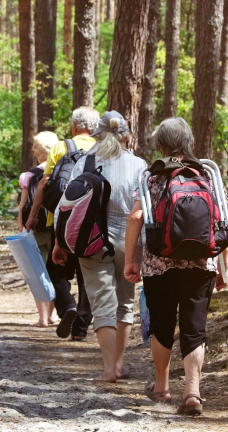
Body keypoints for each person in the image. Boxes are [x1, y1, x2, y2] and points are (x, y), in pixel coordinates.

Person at [123, 117, 217, 416]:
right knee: (195, 328)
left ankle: (162, 387)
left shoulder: (151, 177)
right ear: (189, 142)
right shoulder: (206, 172)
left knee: (162, 325)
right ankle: (192, 392)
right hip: (202, 262)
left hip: (159, 263)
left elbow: (136, 217)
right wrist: (221, 267)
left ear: (160, 144)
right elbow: (220, 220)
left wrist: (130, 260)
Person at [52, 110, 147, 382]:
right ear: (127, 135)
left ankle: (110, 369)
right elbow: (145, 210)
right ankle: (119, 363)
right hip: (131, 243)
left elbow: (65, 207)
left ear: (98, 135)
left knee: (102, 301)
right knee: (124, 302)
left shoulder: (86, 162)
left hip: (91, 241)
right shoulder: (139, 165)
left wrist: (61, 244)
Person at [25, 107, 100, 341]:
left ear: (74, 126)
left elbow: (45, 182)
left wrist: (33, 215)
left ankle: (67, 306)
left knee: (55, 269)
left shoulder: (61, 147)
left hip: (62, 220)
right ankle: (81, 328)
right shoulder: (102, 148)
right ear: (94, 127)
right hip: (93, 223)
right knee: (86, 273)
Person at [17, 131, 60, 327]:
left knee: (37, 272)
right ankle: (53, 315)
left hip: (34, 230)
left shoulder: (28, 176)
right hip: (56, 230)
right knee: (55, 271)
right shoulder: (61, 171)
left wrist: (21, 229)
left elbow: (22, 205)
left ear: (36, 152)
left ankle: (42, 318)